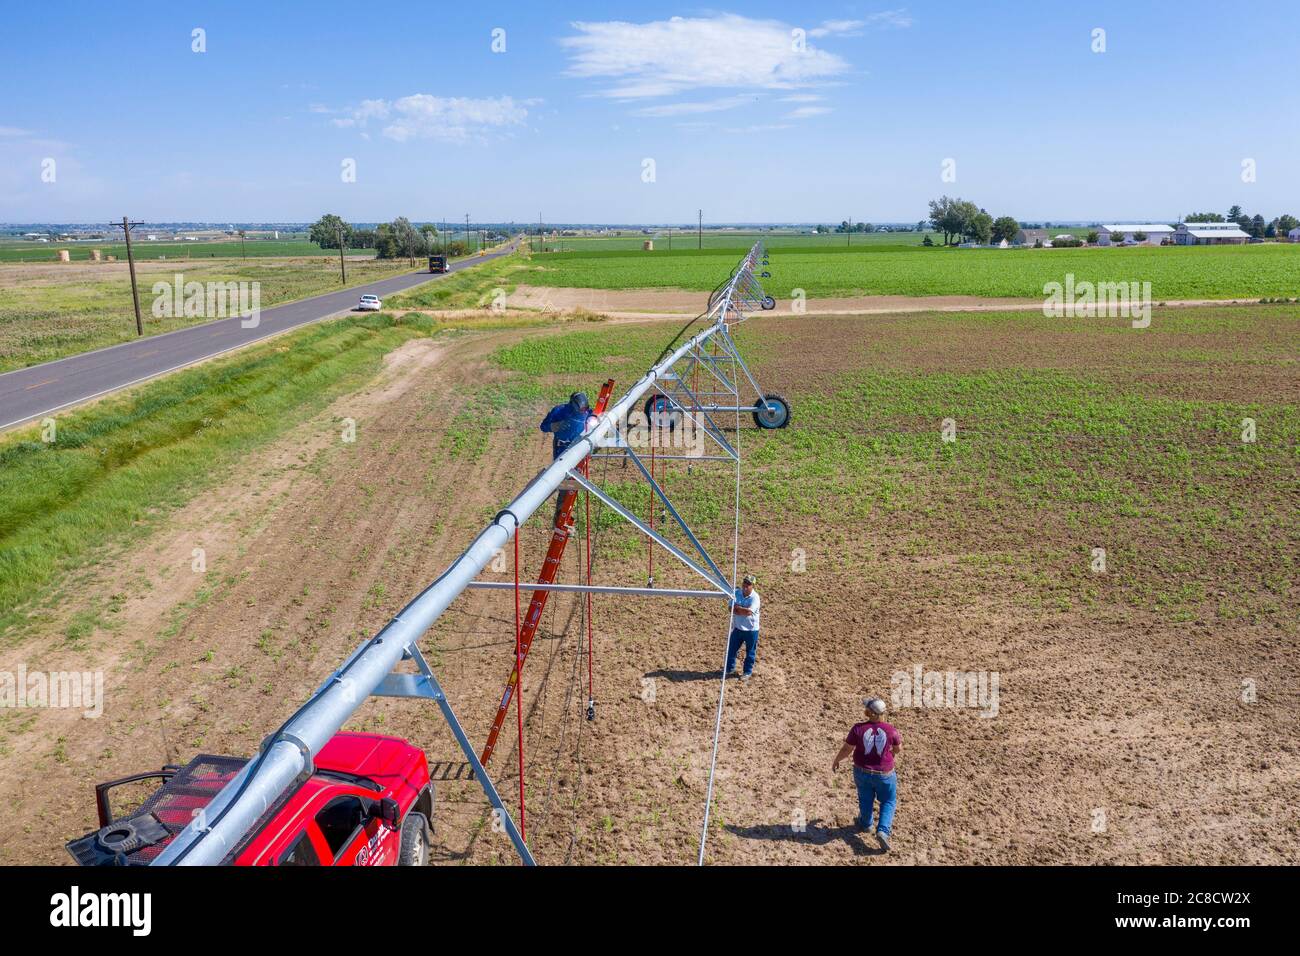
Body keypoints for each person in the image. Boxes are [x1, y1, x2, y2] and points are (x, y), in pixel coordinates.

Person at [833, 697, 900, 851]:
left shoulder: (858, 728)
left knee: (865, 797)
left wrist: (836, 760)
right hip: (885, 774)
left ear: (869, 713)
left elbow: (847, 749)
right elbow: (898, 748)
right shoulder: (891, 729)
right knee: (888, 801)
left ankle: (866, 824)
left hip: (862, 771)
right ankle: (883, 831)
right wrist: (891, 753)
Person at [540, 392, 592, 526]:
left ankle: (566, 511)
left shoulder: (588, 412)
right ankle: (560, 517)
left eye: (584, 410)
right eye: (581, 410)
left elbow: (594, 416)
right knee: (566, 480)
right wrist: (553, 426)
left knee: (575, 480)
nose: (583, 412)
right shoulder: (559, 411)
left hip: (578, 447)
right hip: (561, 447)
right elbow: (543, 426)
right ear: (574, 406)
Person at [724, 574, 761, 680]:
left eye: (748, 584)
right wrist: (740, 610)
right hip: (738, 628)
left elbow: (749, 612)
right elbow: (730, 608)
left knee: (750, 652)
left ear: (752, 586)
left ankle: (747, 672)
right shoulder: (737, 593)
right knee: (731, 649)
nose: (745, 586)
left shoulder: (755, 597)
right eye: (745, 583)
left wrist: (737, 609)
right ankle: (729, 669)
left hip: (751, 630)